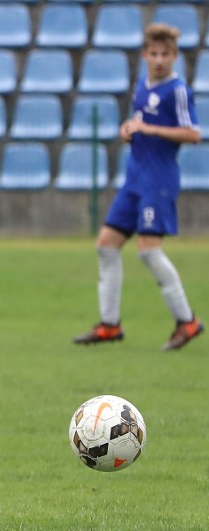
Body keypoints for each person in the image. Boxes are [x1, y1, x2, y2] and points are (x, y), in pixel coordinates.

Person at [74, 24, 203, 351]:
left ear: (175, 56)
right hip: (134, 179)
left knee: (148, 250)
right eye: (153, 54)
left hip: (158, 180)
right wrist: (130, 129)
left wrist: (150, 128)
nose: (159, 60)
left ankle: (186, 321)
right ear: (145, 55)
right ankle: (109, 324)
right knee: (106, 245)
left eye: (165, 54)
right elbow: (141, 121)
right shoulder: (142, 86)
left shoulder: (178, 91)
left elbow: (193, 134)